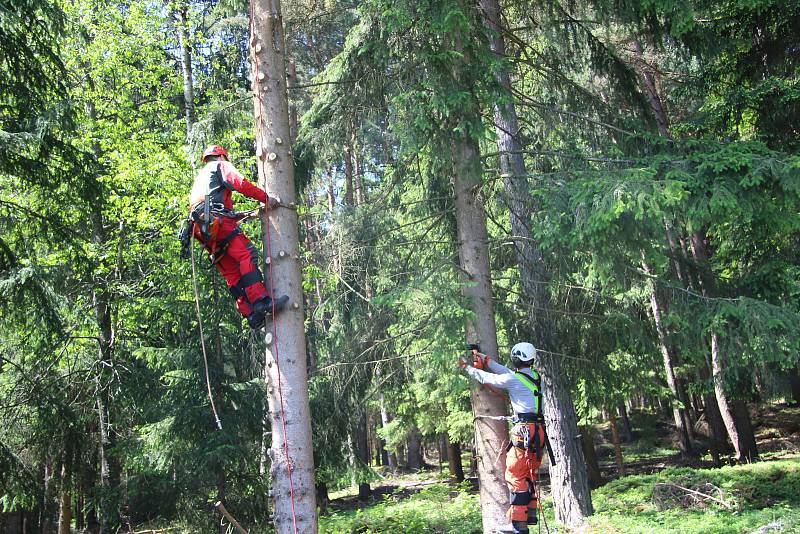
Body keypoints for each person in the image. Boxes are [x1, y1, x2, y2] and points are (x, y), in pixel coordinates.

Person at [187, 145, 288, 329]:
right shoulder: (219, 166)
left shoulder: (200, 178)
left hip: (202, 229)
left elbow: (211, 205)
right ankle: (260, 301)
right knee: (246, 255)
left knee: (231, 272)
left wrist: (244, 215)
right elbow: (240, 183)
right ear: (221, 156)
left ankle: (250, 314)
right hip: (216, 221)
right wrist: (265, 198)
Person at [459, 342, 550, 534]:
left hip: (524, 432)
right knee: (527, 474)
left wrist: (466, 367)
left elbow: (488, 378)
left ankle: (517, 526)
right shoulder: (534, 377)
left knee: (515, 475)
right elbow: (507, 372)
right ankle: (528, 515)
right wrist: (486, 360)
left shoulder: (513, 379)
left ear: (517, 358)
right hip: (538, 433)